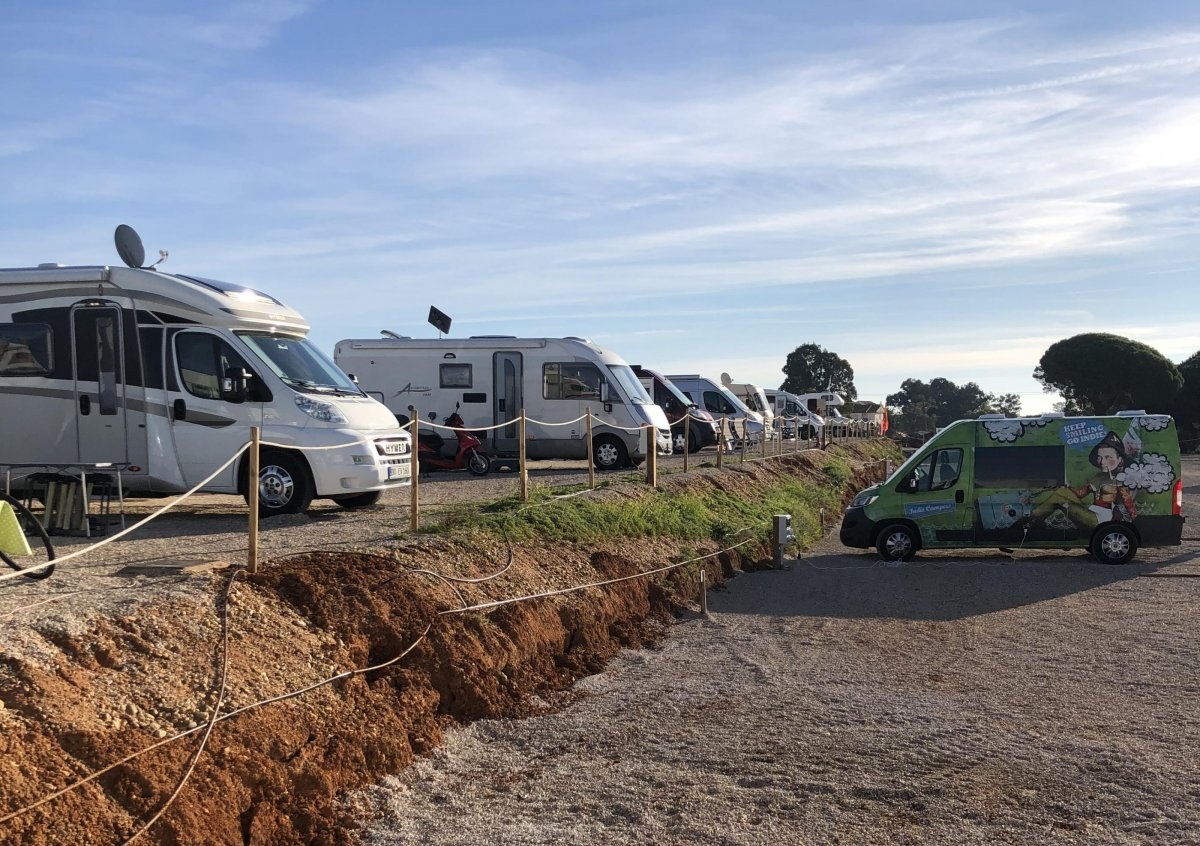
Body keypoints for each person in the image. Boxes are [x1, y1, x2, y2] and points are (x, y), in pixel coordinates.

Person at [1025, 432, 1137, 532]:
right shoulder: (1098, 477)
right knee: (1062, 492)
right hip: (1090, 512)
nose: (1102, 462)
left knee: (1059, 498)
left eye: (1108, 457)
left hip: (1101, 520)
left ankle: (1029, 519)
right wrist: (1067, 486)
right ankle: (1033, 520)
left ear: (1120, 460)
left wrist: (1135, 520)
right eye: (1100, 457)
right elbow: (1080, 493)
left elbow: (1128, 502)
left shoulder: (1120, 480)